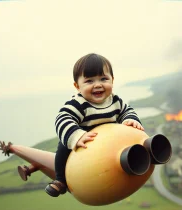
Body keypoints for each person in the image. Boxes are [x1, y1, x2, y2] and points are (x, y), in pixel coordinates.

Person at [45, 53, 144, 197]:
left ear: (112, 80)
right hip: (85, 142)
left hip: (109, 144)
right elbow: (63, 118)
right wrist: (77, 135)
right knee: (63, 146)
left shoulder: (115, 101)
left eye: (104, 79)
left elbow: (126, 111)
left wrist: (130, 119)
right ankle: (60, 180)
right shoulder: (79, 104)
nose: (98, 85)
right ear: (77, 86)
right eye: (89, 81)